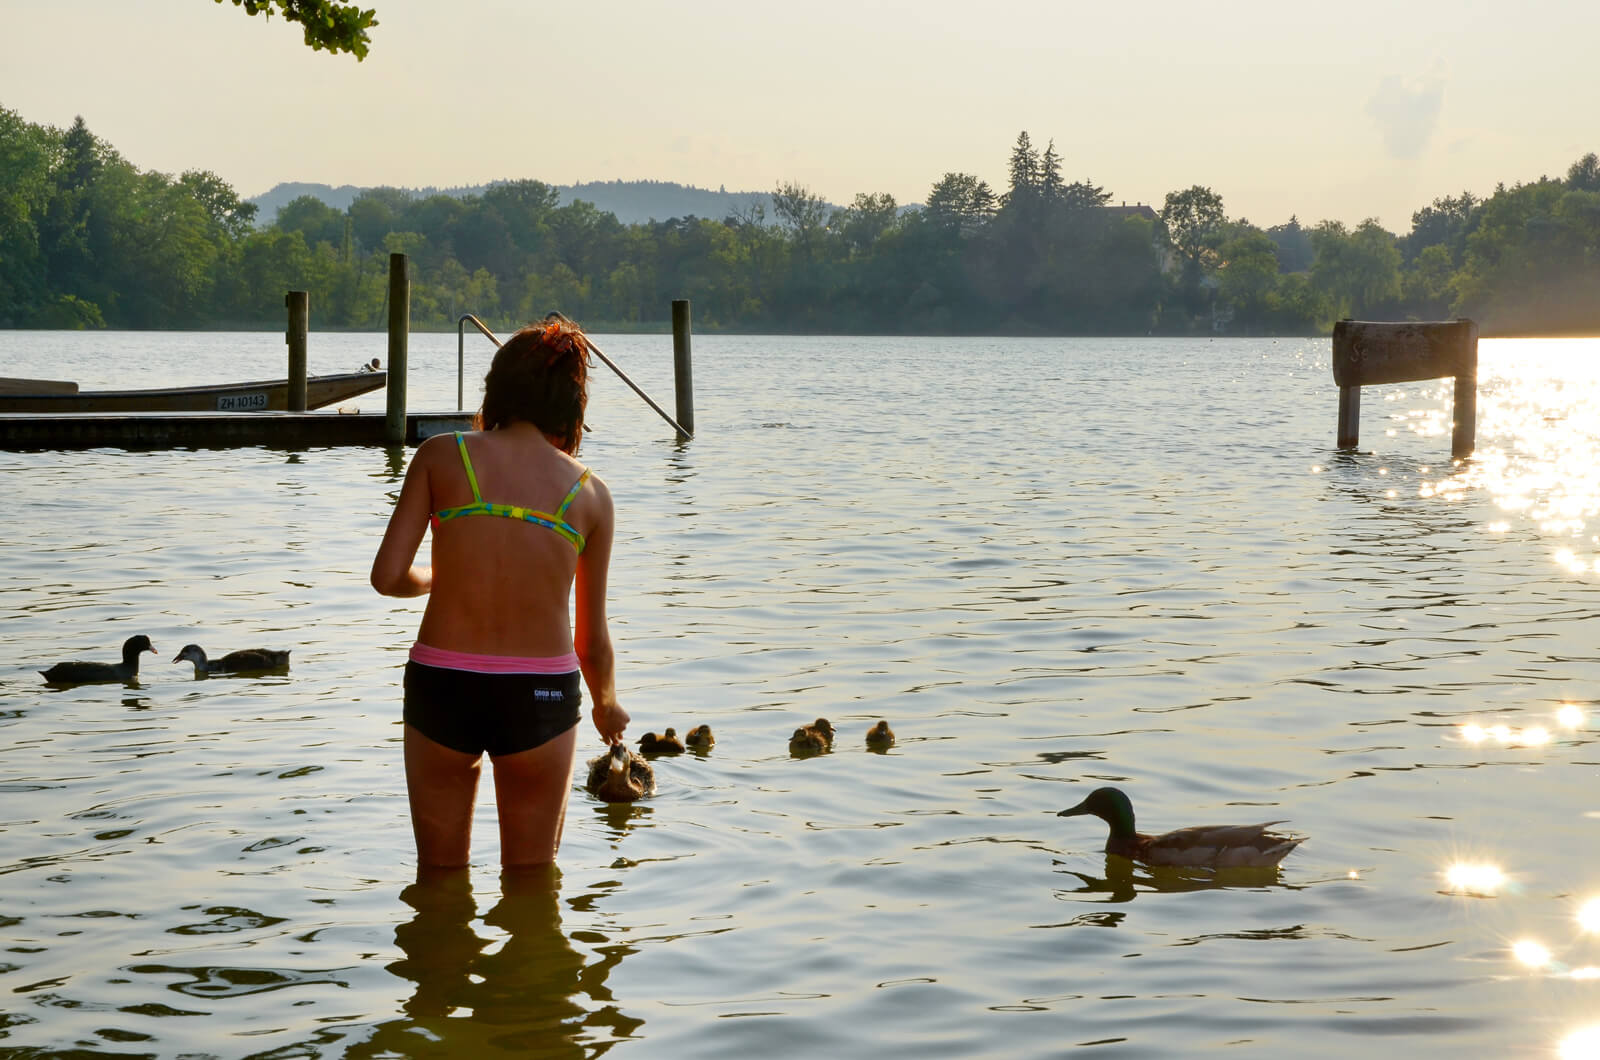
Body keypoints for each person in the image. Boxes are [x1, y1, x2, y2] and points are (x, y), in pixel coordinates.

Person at [371, 317, 629, 870]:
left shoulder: (442, 456)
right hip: (539, 696)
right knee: (533, 884)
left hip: (443, 688)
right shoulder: (590, 495)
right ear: (570, 404)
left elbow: (388, 578)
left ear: (498, 388)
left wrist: (437, 578)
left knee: (437, 879)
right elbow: (591, 641)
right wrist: (607, 706)